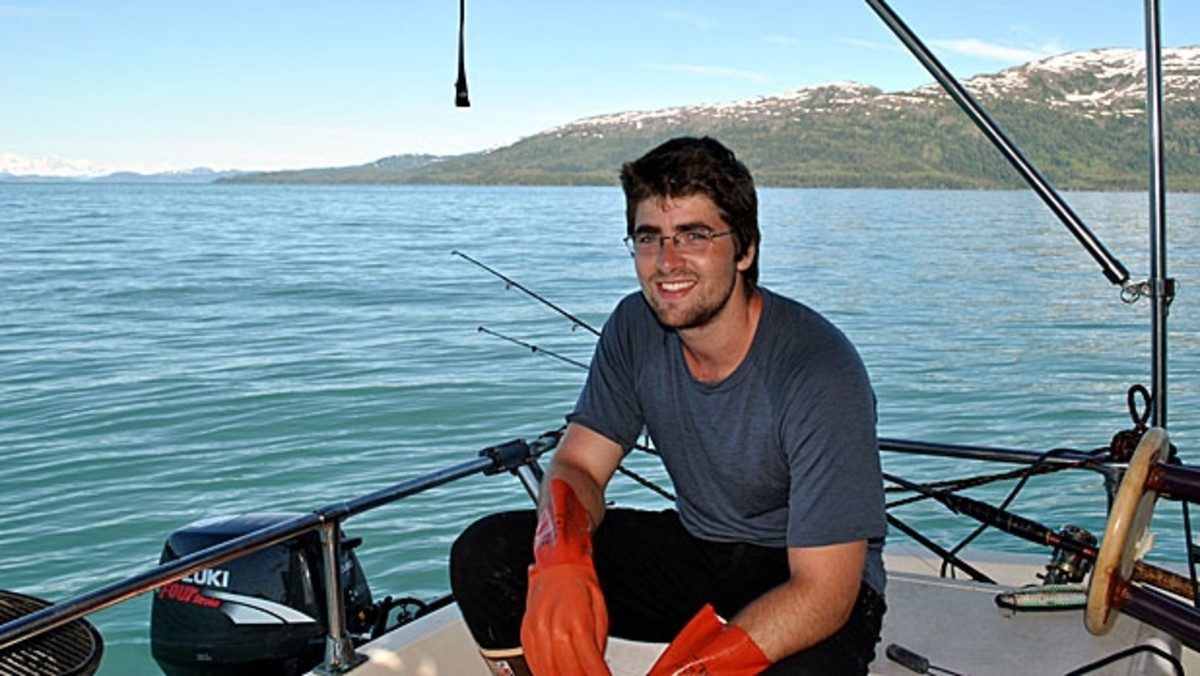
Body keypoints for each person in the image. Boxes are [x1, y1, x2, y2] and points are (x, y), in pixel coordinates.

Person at [450, 136, 887, 675]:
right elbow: (580, 464)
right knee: (488, 554)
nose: (666, 262)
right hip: (697, 550)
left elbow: (824, 592)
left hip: (807, 578)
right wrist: (561, 556)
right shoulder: (634, 327)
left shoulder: (819, 371)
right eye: (648, 238)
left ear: (745, 249)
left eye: (694, 236)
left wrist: (694, 670)